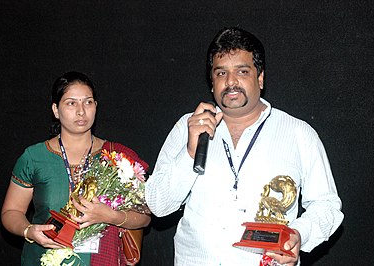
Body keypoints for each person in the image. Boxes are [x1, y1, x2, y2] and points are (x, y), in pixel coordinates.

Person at [145, 27, 343, 266]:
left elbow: (327, 206)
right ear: (211, 82)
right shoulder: (188, 127)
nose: (230, 82)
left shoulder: (298, 133)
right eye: (221, 73)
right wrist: (189, 152)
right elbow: (158, 205)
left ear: (260, 78)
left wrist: (299, 235)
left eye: (242, 71)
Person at [1, 71, 150, 266]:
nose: (81, 111)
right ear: (56, 109)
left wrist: (111, 216)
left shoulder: (117, 159)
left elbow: (145, 218)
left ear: (96, 106)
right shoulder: (34, 157)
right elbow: (11, 212)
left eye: (88, 102)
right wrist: (29, 231)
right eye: (71, 103)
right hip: (43, 259)